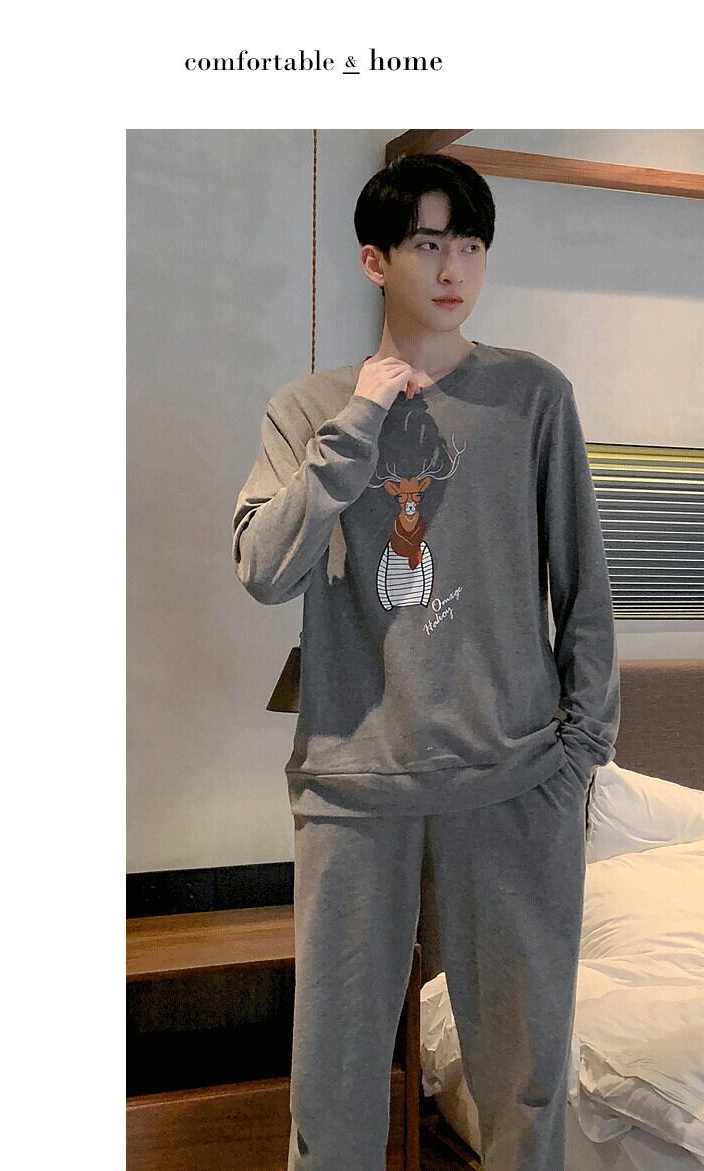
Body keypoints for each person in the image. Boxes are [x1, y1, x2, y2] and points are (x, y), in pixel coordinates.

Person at [231, 153, 620, 1171]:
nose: (454, 268)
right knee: (334, 1089)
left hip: (516, 780)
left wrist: (580, 752)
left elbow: (584, 583)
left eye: (471, 244)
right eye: (428, 243)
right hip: (354, 785)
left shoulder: (534, 397)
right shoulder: (309, 407)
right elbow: (264, 568)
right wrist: (358, 421)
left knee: (524, 1079)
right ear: (375, 260)